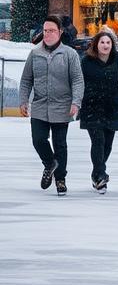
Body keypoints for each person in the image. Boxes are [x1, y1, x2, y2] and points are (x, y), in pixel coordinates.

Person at [19, 16, 85, 196]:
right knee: (38, 140)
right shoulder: (35, 53)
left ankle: (60, 180)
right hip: (40, 105)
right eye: (45, 30)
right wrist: (23, 100)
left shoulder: (69, 54)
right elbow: (26, 80)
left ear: (60, 33)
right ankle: (50, 163)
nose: (47, 34)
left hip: (62, 105)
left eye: (51, 31)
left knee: (60, 144)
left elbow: (78, 80)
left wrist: (75, 102)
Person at [79, 30, 118, 193]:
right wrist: (77, 100)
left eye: (108, 42)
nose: (105, 45)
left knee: (107, 145)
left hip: (112, 107)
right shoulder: (86, 62)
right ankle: (101, 175)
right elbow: (78, 82)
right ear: (96, 44)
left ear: (112, 45)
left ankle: (96, 174)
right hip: (92, 106)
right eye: (102, 42)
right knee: (98, 141)